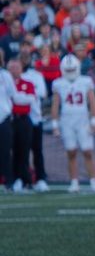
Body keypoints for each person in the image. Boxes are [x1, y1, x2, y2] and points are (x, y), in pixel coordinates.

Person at [52, 54, 95, 193]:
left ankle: (93, 181)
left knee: (88, 152)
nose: (70, 72)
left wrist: (94, 120)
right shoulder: (58, 83)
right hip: (67, 121)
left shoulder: (85, 81)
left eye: (72, 69)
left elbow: (92, 101)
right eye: (68, 69)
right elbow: (56, 104)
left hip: (83, 120)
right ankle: (74, 182)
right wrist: (55, 124)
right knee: (71, 152)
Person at [19, 53, 48, 192]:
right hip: (21, 118)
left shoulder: (36, 76)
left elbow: (41, 94)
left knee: (37, 150)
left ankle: (41, 178)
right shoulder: (13, 76)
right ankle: (22, 179)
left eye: (26, 58)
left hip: (35, 117)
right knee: (21, 151)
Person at [9, 57, 35, 192]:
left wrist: (16, 98)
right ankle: (14, 179)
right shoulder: (5, 84)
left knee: (24, 150)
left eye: (17, 67)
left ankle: (25, 179)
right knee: (11, 150)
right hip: (10, 119)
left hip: (24, 119)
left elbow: (30, 99)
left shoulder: (27, 83)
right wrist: (19, 98)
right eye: (12, 68)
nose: (14, 70)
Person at [0, 51, 13, 192]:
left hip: (3, 117)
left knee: (5, 151)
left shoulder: (5, 75)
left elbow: (12, 94)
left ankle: (9, 181)